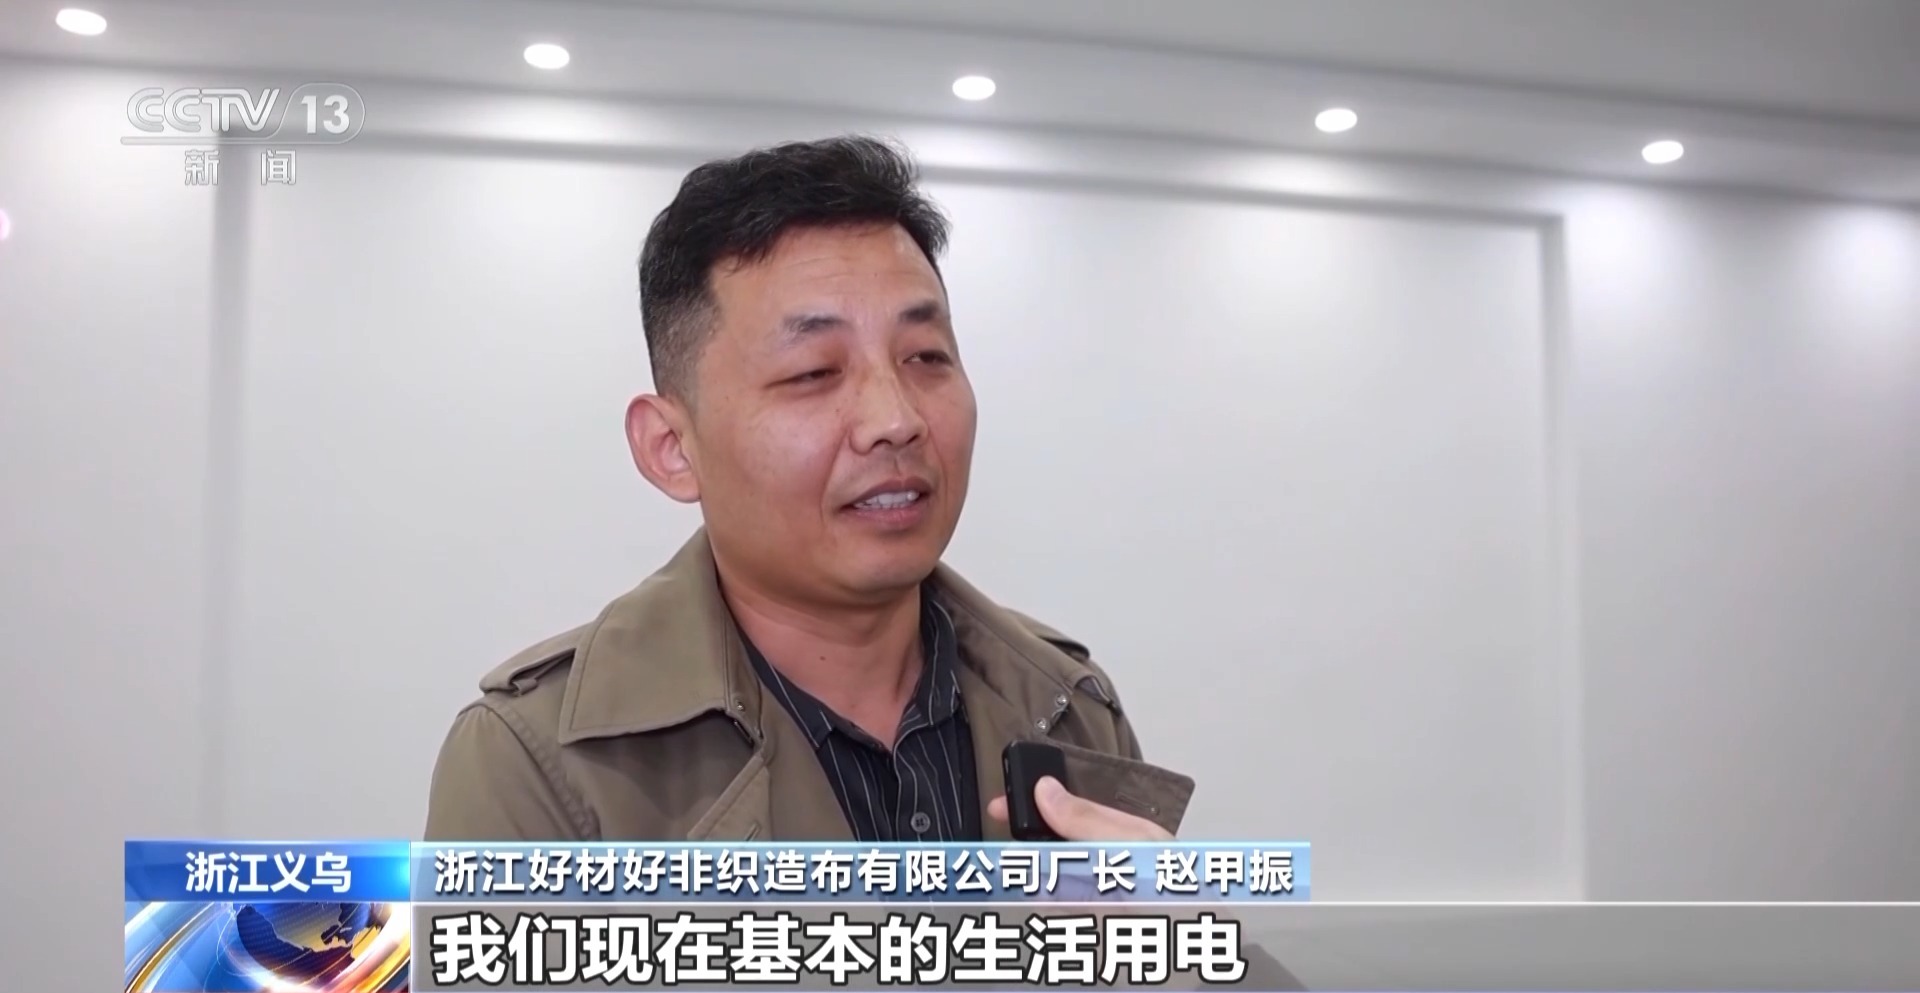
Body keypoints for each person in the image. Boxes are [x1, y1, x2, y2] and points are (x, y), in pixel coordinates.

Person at [424, 135, 1197, 846]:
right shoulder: (531, 762)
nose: (896, 420)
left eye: (925, 356)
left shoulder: (1068, 707)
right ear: (671, 448)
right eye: (814, 372)